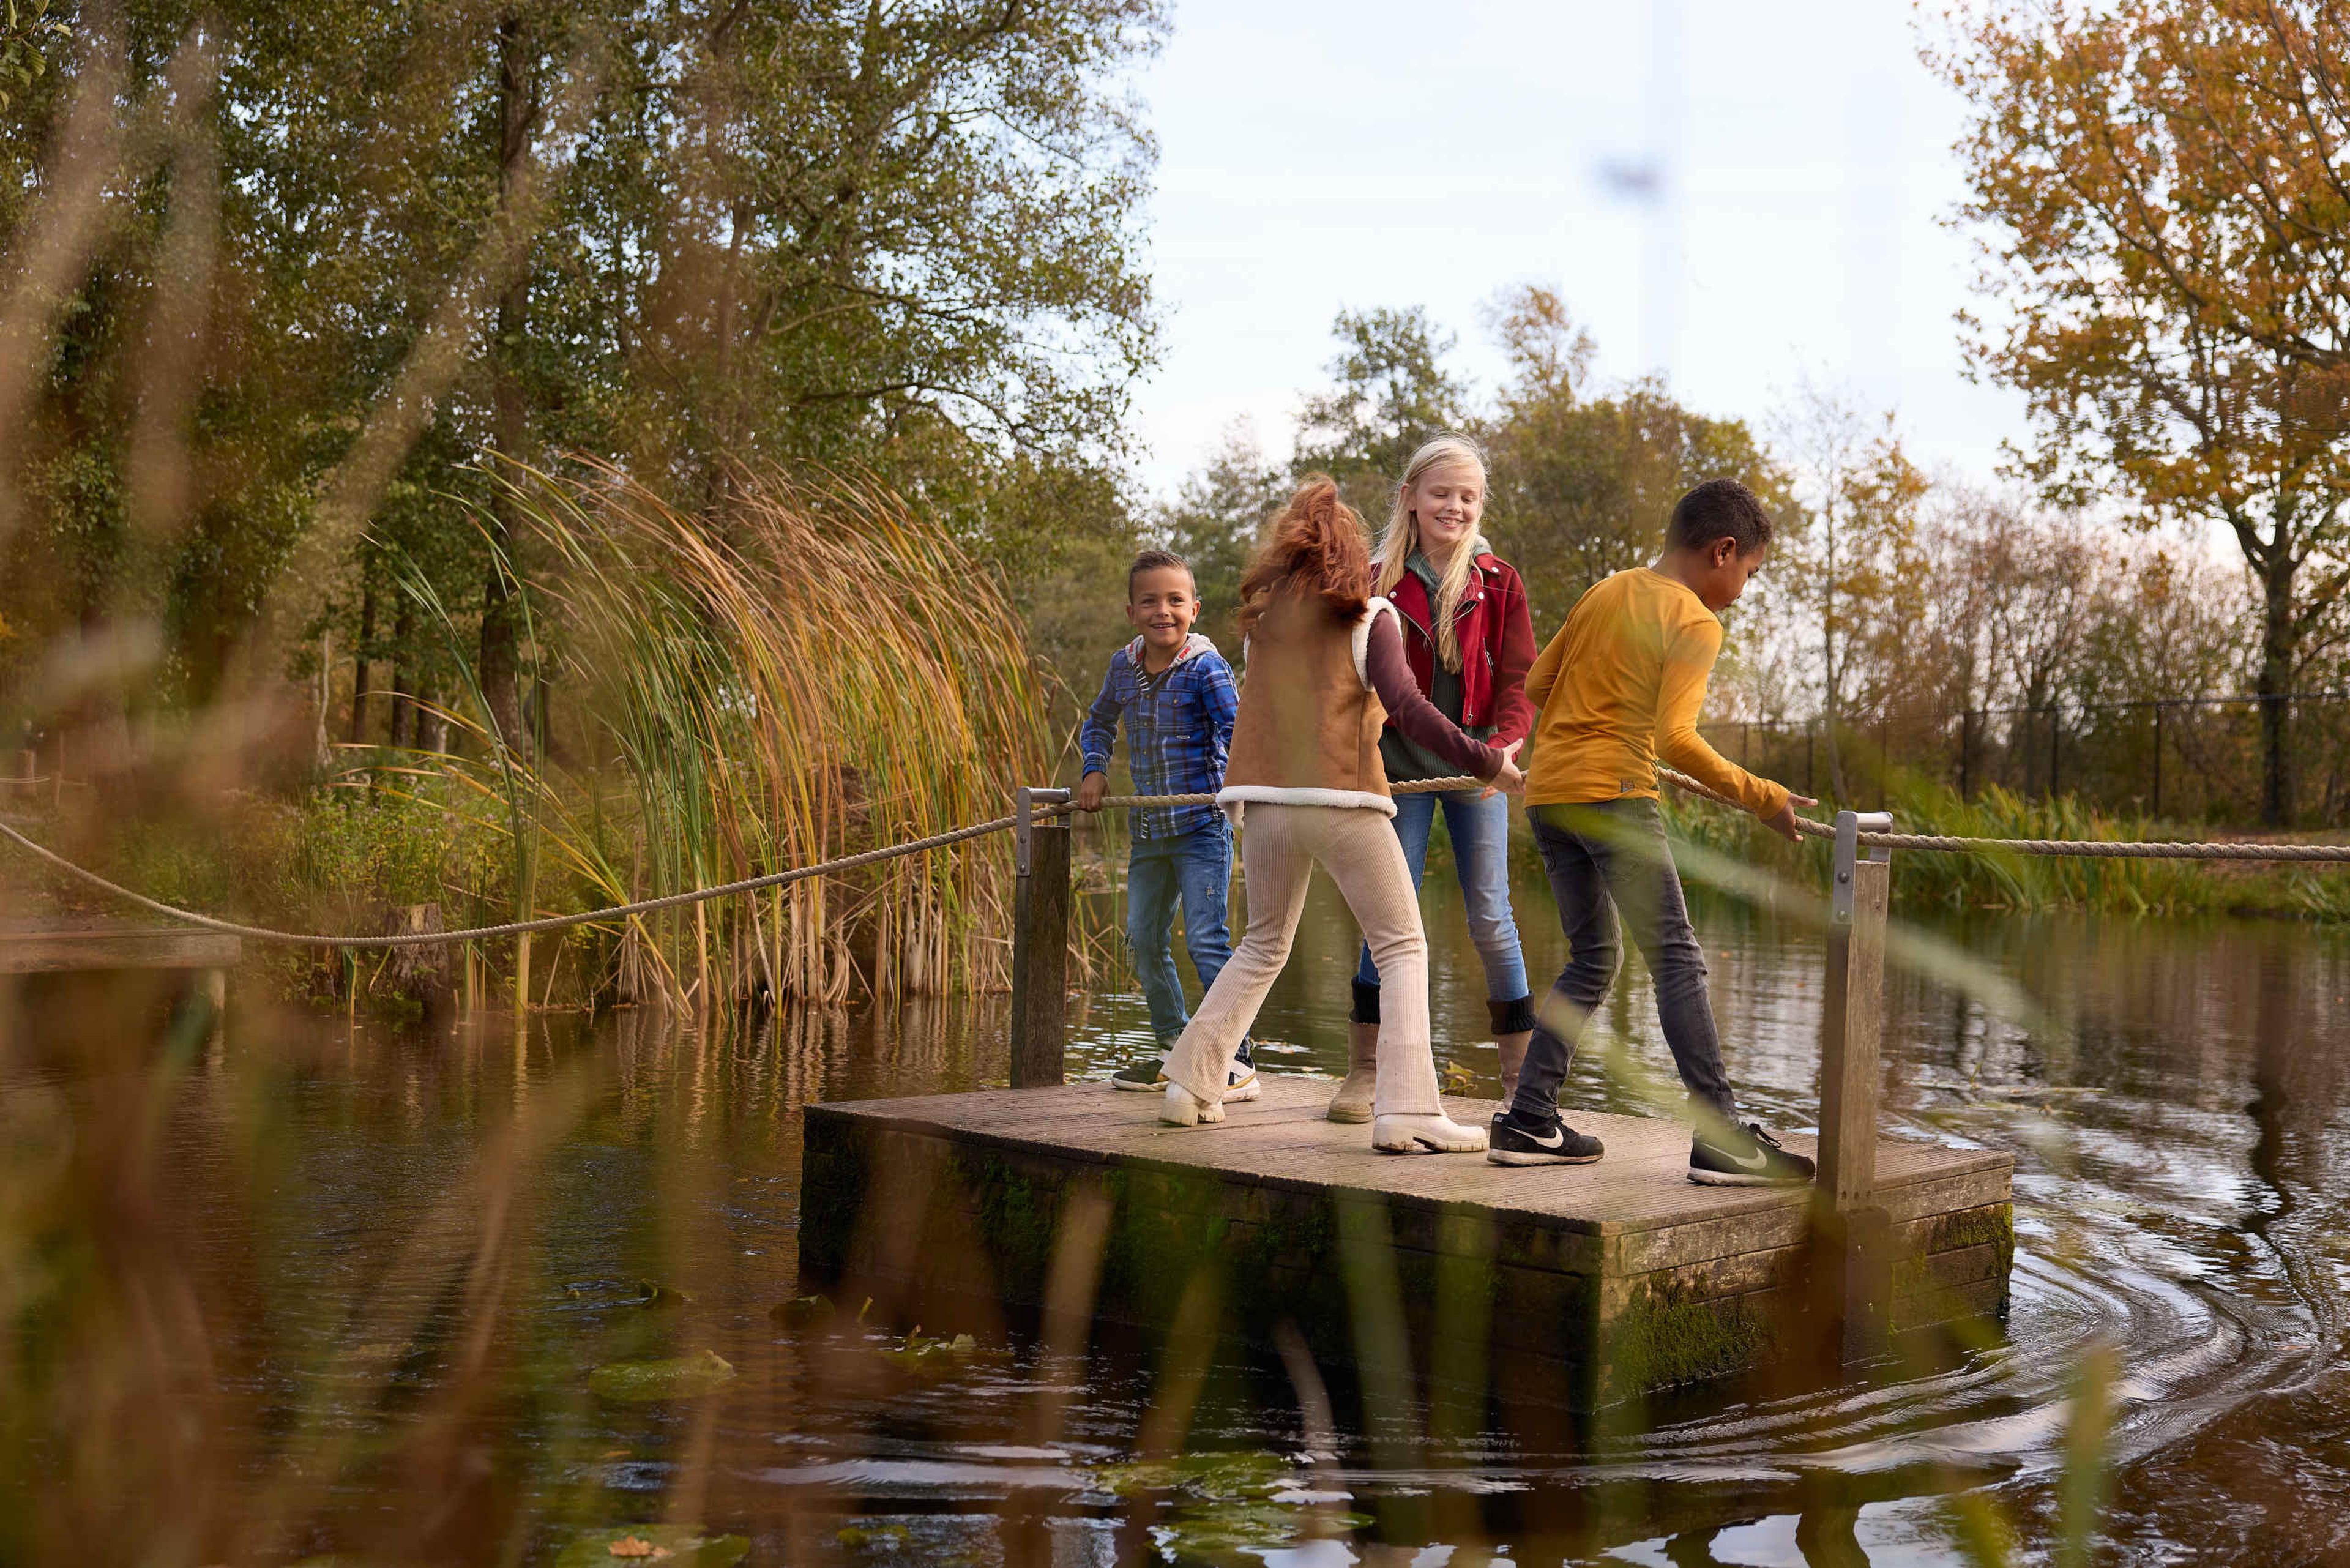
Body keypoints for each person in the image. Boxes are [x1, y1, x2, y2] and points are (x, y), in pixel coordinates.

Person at [1157, 477, 1522, 1154]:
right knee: (1403, 945)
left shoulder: (1262, 631)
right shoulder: (1371, 618)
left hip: (1263, 806)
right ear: (1354, 559)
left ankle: (1190, 1083)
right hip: (1341, 801)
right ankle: (1408, 1110)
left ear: (1285, 559)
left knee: (1263, 943)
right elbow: (1411, 712)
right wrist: (1486, 762)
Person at [1488, 478, 1821, 1185]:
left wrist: (1598, 707)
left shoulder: (1607, 591)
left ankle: (1528, 1118)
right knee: (1677, 961)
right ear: (1722, 551)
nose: (1743, 588)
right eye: (1749, 573)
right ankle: (1722, 1136)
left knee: (1591, 958)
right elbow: (1675, 738)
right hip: (1615, 795)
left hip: (1550, 795)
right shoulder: (1696, 620)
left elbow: (1542, 685)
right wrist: (1762, 796)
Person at [1334, 433, 1539, 1124]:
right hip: (1399, 774)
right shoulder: (1375, 581)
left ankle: (1519, 1083)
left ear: (1480, 505)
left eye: (1468, 496)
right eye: (1441, 493)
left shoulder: (1500, 580)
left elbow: (1521, 681)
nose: (1455, 506)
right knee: (1388, 913)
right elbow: (1349, 679)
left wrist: (1506, 746)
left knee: (1491, 913)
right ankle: (1365, 1071)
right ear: (1411, 499)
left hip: (1481, 770)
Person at [1076, 550, 1258, 1099]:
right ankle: (1173, 1045)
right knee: (1144, 940)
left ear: (1194, 609)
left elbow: (1237, 729)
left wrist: (1239, 785)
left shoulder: (1206, 667)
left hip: (1202, 826)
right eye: (1150, 601)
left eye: (1175, 601)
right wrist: (1094, 770)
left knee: (1207, 940)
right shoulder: (1122, 668)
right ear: (1132, 611)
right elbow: (1099, 722)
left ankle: (1236, 1057)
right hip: (1150, 834)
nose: (1164, 611)